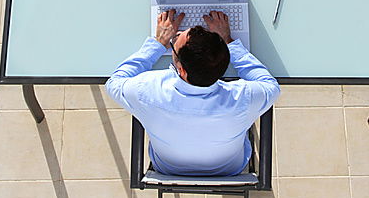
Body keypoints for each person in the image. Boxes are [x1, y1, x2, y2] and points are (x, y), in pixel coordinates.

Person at [105, 9, 280, 177]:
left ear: (181, 69)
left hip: (168, 169)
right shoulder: (243, 99)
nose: (178, 34)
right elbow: (271, 86)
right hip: (228, 170)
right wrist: (228, 41)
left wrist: (157, 44)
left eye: (176, 41)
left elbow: (114, 82)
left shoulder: (146, 91)